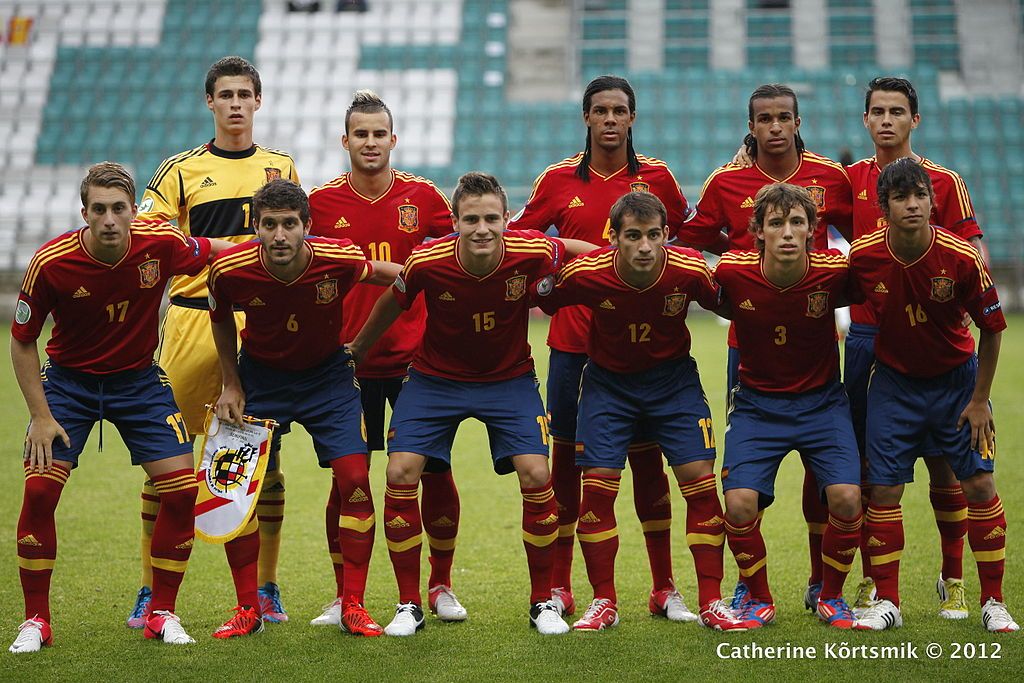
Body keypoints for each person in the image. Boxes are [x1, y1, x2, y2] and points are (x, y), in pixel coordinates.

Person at [348, 172, 594, 637]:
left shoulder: (533, 250)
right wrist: (357, 350)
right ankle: (409, 603)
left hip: (509, 379)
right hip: (435, 379)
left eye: (492, 219)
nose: (482, 228)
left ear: (507, 220)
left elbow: (577, 250)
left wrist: (612, 262)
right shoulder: (427, 260)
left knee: (538, 474)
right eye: (471, 219)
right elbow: (392, 301)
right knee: (400, 471)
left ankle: (542, 602)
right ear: (455, 223)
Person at [9, 162, 231, 652]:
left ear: (134, 211)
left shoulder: (161, 243)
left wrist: (271, 253)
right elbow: (22, 341)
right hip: (69, 386)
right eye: (99, 210)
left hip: (138, 383)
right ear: (84, 212)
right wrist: (42, 417)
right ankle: (36, 621)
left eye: (118, 209)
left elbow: (215, 248)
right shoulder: (52, 262)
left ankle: (162, 613)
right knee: (41, 492)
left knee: (179, 493)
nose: (109, 219)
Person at [509, 75, 695, 621]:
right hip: (574, 347)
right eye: (600, 111)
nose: (610, 119)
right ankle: (565, 585)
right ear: (586, 118)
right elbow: (520, 240)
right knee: (567, 464)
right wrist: (567, 250)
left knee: (648, 463)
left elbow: (688, 237)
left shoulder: (659, 179)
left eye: (619, 111)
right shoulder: (555, 180)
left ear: (632, 118)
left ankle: (664, 586)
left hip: (647, 354)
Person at [129, 56, 301, 627]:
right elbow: (148, 230)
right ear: (210, 102)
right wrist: (213, 252)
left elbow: (297, 242)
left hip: (257, 326)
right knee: (165, 465)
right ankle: (150, 589)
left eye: (243, 94)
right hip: (190, 322)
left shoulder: (282, 168)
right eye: (224, 94)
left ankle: (266, 588)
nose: (234, 103)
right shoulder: (180, 171)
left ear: (258, 101)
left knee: (261, 464)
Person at [535, 191, 746, 632]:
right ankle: (603, 602)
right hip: (608, 388)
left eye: (653, 235)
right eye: (633, 236)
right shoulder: (587, 272)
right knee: (598, 489)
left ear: (667, 235)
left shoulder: (688, 268)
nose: (645, 246)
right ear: (613, 238)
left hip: (673, 386)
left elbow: (728, 302)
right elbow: (539, 296)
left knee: (701, 485)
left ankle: (711, 601)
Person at [678, 83, 854, 612]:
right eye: (764, 119)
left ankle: (821, 581)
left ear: (798, 122)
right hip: (748, 342)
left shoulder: (829, 177)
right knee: (749, 476)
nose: (774, 127)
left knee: (825, 471)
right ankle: (747, 585)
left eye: (784, 118)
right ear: (750, 126)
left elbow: (866, 236)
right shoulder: (726, 182)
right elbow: (692, 239)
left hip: (813, 337)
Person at [208, 179, 401, 637]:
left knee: (355, 478)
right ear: (255, 227)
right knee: (235, 491)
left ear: (307, 227)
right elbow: (218, 318)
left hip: (326, 378)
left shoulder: (340, 258)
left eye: (289, 224)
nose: (279, 235)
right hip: (259, 378)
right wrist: (230, 383)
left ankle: (352, 603)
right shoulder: (229, 269)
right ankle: (247, 609)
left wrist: (364, 346)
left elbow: (401, 278)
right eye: (269, 225)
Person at [307, 90, 465, 626]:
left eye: (379, 134)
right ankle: (342, 593)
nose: (370, 142)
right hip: (346, 364)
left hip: (417, 364)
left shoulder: (424, 198)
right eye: (361, 134)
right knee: (346, 481)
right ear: (344, 140)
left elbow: (457, 264)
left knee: (433, 474)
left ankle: (439, 584)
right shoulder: (321, 204)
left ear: (393, 140)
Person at [847, 158, 1016, 633]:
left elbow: (993, 329)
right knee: (883, 490)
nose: (913, 204)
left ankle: (994, 601)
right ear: (884, 208)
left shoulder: (962, 257)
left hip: (956, 384)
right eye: (901, 197)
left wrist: (980, 400)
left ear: (932, 200)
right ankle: (889, 601)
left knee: (979, 485)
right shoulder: (863, 257)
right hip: (894, 385)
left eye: (920, 195)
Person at [845, 77, 986, 619]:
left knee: (947, 467)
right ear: (865, 120)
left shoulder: (945, 182)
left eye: (897, 111)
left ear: (914, 120)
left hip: (936, 344)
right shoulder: (848, 179)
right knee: (870, 470)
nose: (886, 120)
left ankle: (954, 581)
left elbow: (972, 257)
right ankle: (873, 583)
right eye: (876, 111)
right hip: (867, 343)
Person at [714, 183, 863, 630]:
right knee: (739, 504)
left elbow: (881, 277)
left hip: (823, 404)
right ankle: (757, 596)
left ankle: (831, 596)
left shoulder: (834, 271)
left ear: (813, 230)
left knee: (847, 498)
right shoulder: (732, 272)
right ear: (757, 231)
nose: (786, 232)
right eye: (775, 223)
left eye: (797, 222)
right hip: (758, 407)